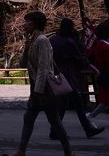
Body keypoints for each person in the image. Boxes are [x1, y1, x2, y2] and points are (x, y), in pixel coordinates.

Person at [9, 12, 73, 156]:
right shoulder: (32, 40)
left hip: (44, 88)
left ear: (36, 24)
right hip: (36, 87)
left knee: (53, 122)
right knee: (37, 119)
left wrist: (38, 90)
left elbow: (44, 68)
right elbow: (22, 64)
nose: (25, 25)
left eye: (28, 22)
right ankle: (22, 150)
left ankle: (67, 151)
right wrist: (25, 48)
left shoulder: (42, 40)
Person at [49, 18, 104, 139]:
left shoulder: (52, 40)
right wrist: (91, 67)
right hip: (70, 75)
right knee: (76, 103)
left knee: (63, 104)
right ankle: (86, 128)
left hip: (58, 74)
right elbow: (79, 58)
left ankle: (56, 130)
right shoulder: (69, 41)